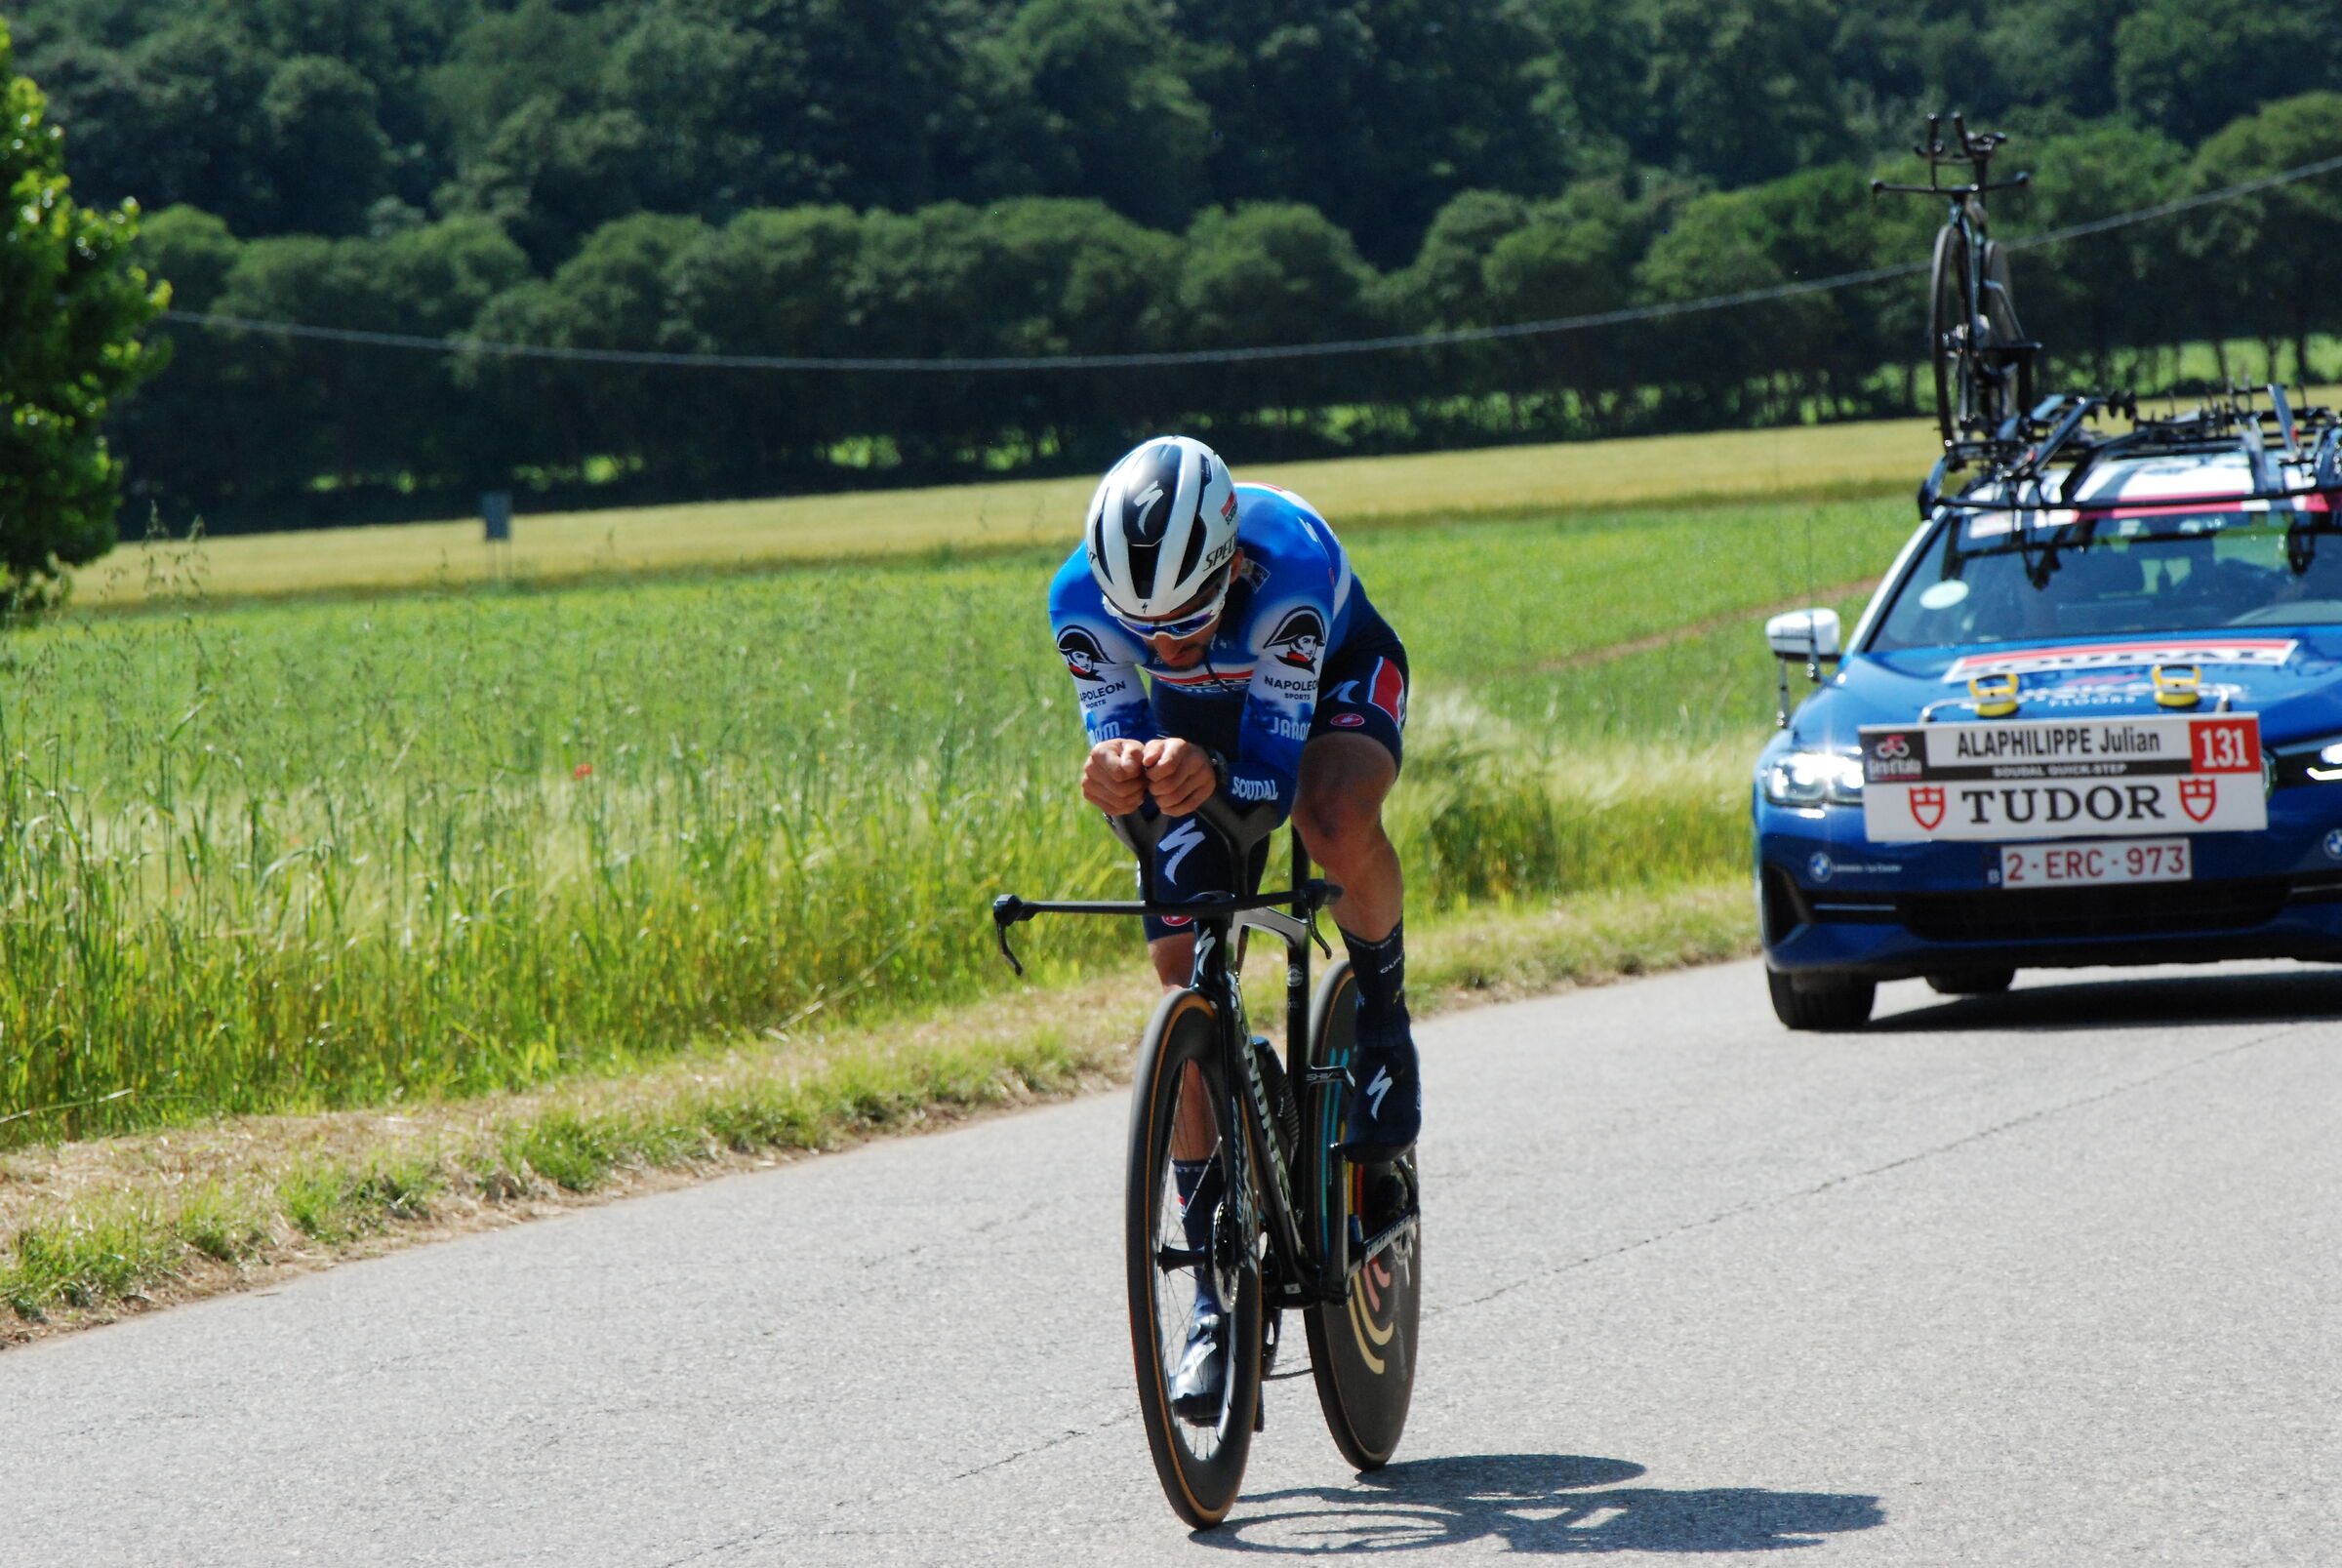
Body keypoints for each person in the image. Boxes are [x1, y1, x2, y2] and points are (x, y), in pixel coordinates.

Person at [1048, 434, 1416, 1421]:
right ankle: (1210, 1293)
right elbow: (1127, 761)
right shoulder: (1077, 602)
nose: (1166, 643)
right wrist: (1118, 780)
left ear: (1229, 567)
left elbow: (1270, 776)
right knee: (1179, 965)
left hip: (1328, 687)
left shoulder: (1287, 569)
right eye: (1145, 627)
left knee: (1331, 817)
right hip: (1193, 728)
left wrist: (1207, 777)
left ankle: (1384, 1013)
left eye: (1187, 619)